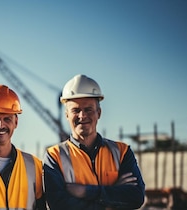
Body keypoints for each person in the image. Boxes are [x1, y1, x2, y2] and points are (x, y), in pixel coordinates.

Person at [43, 74, 145, 209]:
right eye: (76, 110)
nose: (82, 115)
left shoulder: (121, 152)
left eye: (88, 109)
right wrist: (111, 197)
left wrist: (86, 191)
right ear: (67, 115)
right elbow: (59, 205)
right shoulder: (54, 156)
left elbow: (136, 197)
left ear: (99, 113)